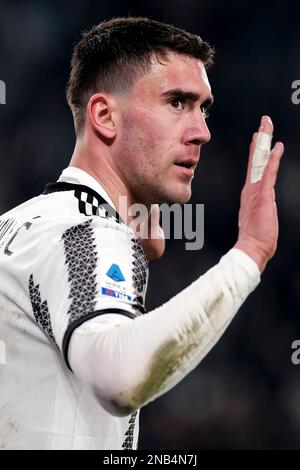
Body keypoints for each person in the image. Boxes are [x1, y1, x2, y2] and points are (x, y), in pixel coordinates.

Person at [0, 16, 284, 450]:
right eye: (177, 103)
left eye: (203, 108)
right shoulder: (85, 232)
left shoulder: (22, 225)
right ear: (104, 116)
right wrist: (249, 254)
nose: (203, 132)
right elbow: (119, 379)